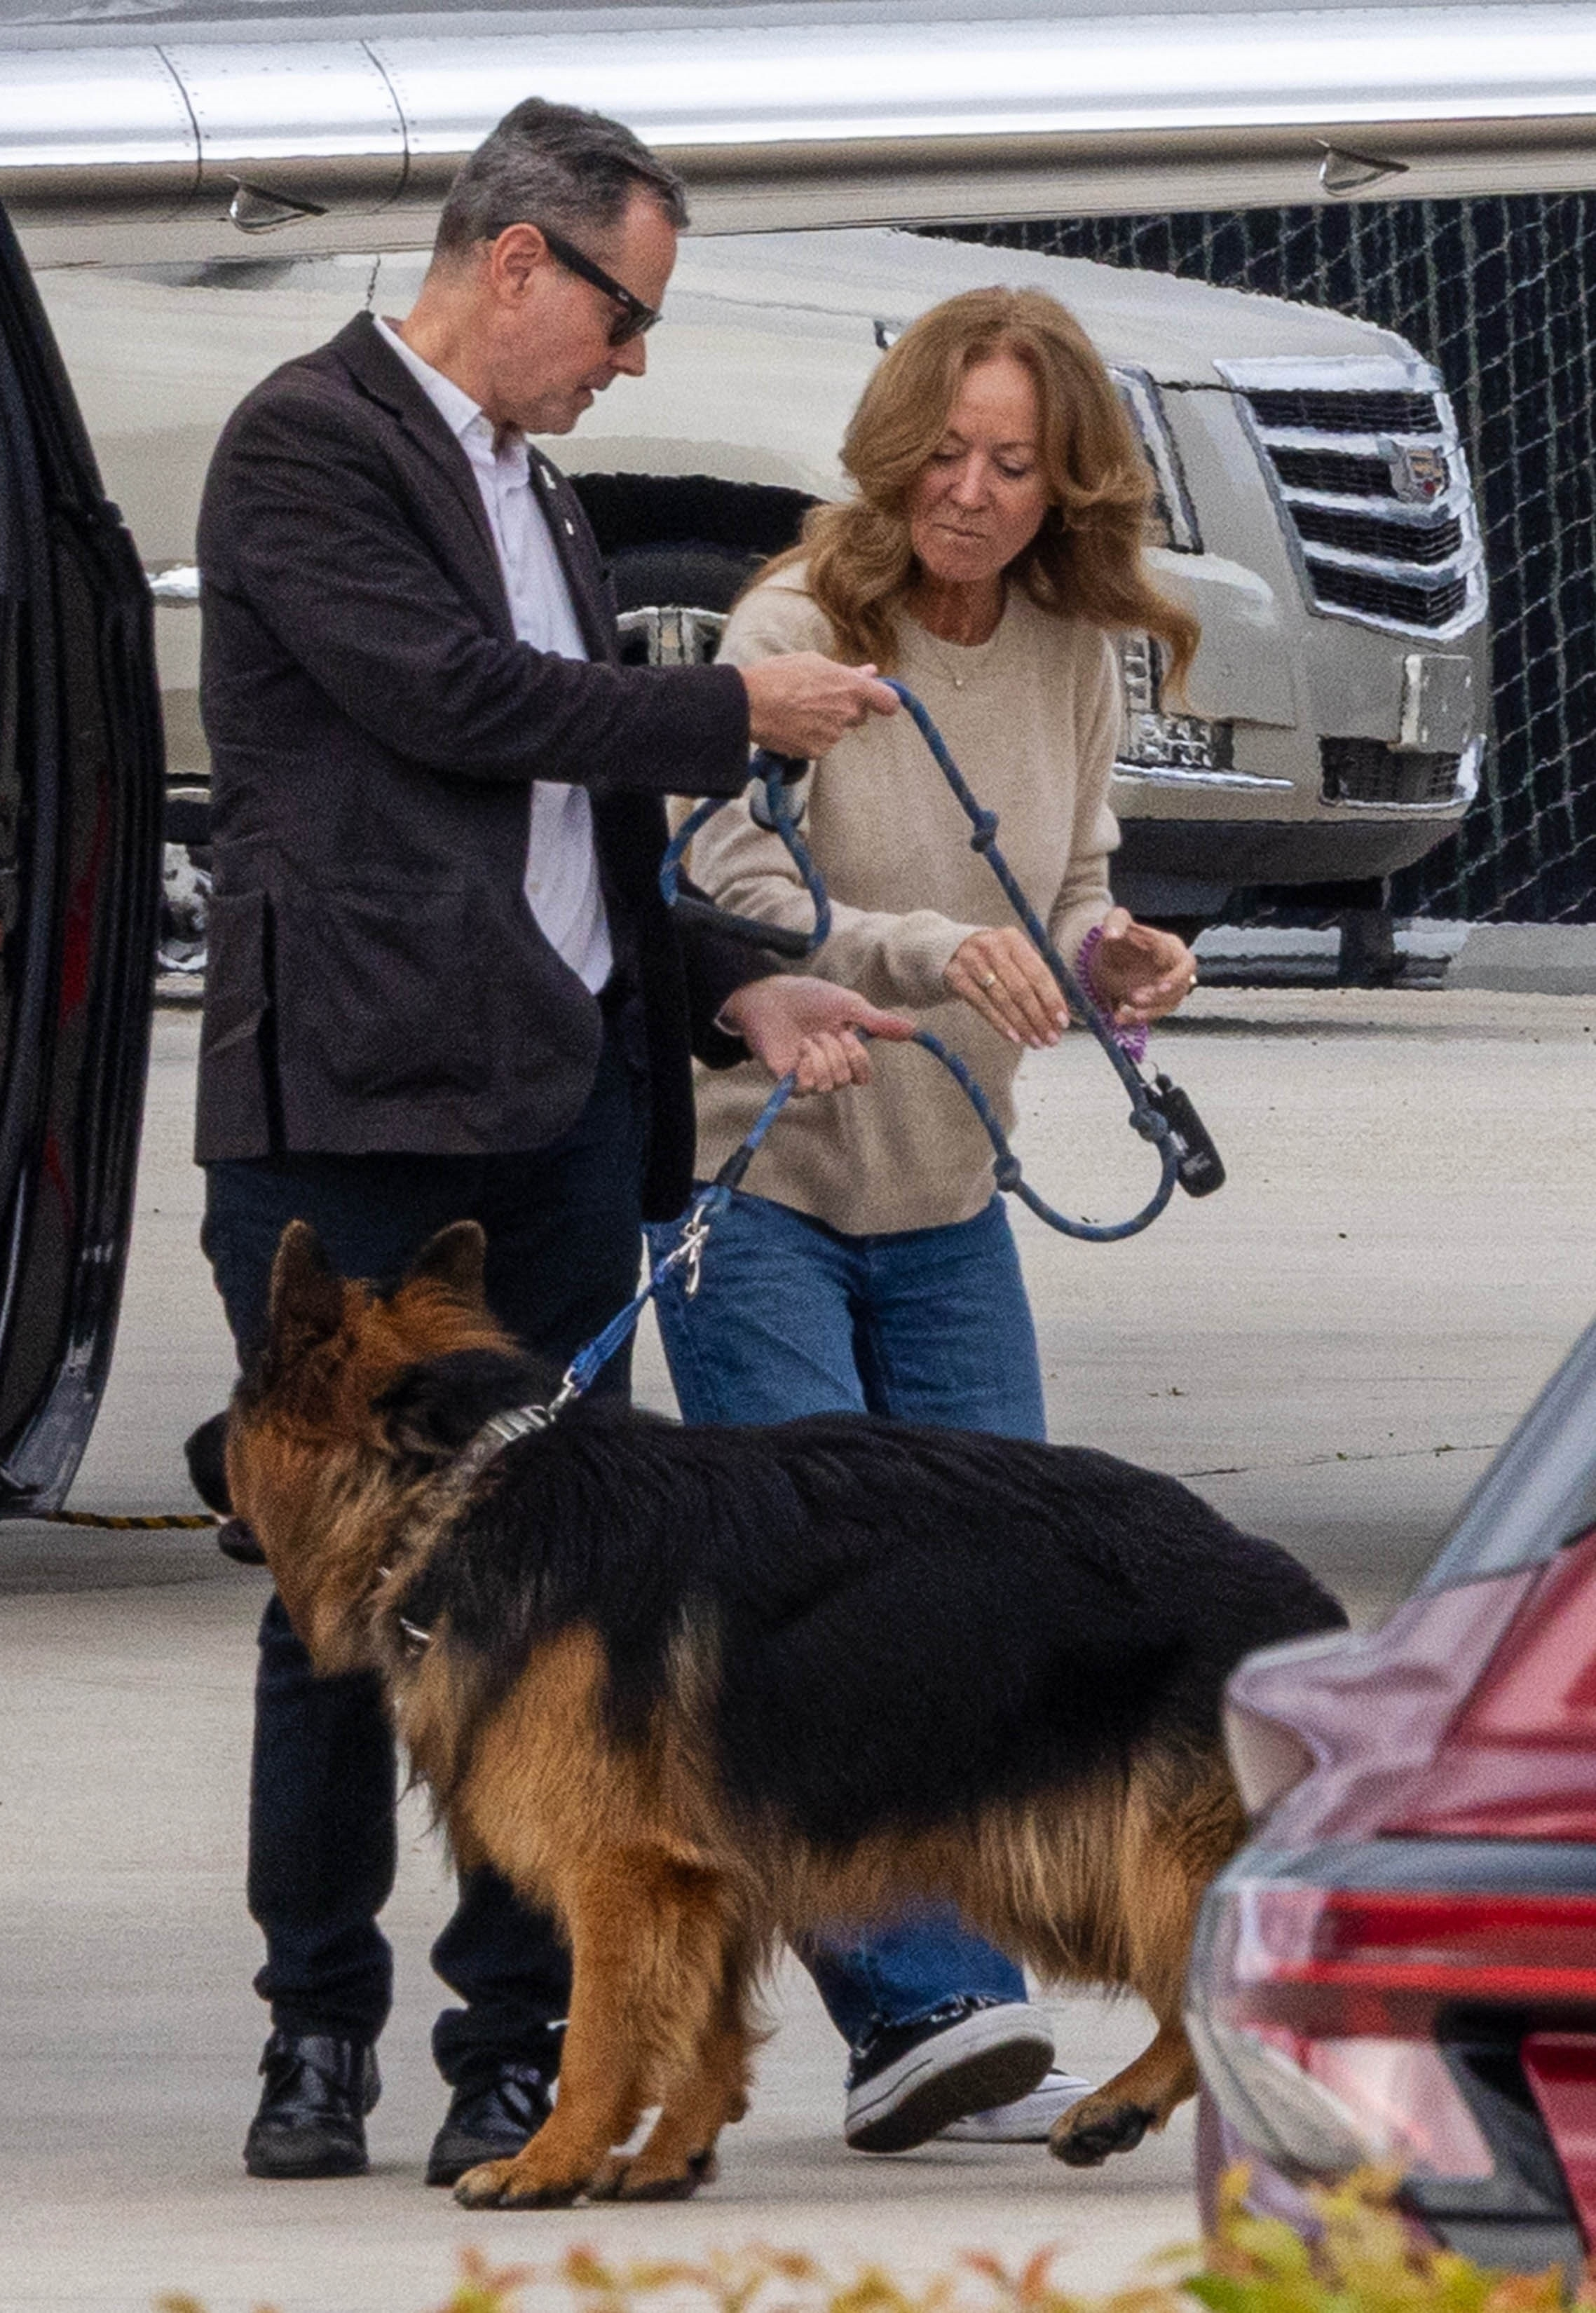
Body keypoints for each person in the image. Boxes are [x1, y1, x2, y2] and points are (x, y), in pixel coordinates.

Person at [193, 95, 906, 2188]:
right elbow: (450, 702)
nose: (634, 360)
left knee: (556, 1619)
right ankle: (312, 2034)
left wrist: (715, 983)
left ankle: (512, 2047)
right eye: (624, 309)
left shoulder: (544, 496)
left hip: (556, 1133)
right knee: (329, 1606)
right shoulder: (308, 444)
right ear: (517, 263)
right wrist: (722, 719)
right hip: (354, 1121)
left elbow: (558, 840)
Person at [649, 285, 1201, 2155]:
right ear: (895, 453)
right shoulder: (796, 623)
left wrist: (1117, 960)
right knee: (817, 1611)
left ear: (1069, 487)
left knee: (1001, 1602)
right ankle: (921, 2013)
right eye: (945, 454)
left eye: (1013, 464)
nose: (970, 493)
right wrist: (919, 948)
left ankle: (952, 2003)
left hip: (950, 1180)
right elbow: (712, 870)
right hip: (768, 1173)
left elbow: (1064, 895)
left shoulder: (1065, 651)